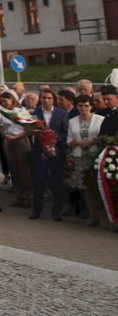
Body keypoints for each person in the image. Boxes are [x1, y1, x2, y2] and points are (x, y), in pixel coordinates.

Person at [29, 90, 69, 221]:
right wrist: (33, 132)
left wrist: (54, 138)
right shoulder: (34, 113)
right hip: (39, 152)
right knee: (39, 181)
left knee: (57, 182)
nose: (46, 100)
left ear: (54, 100)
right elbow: (27, 130)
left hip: (56, 152)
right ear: (40, 99)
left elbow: (65, 132)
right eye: (44, 98)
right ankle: (36, 210)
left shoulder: (61, 113)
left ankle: (56, 211)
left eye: (49, 98)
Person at [67, 96, 102, 225]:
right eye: (80, 106)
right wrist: (79, 143)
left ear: (91, 106)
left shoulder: (100, 120)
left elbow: (103, 136)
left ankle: (103, 214)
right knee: (86, 187)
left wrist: (91, 142)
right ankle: (93, 216)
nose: (83, 108)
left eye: (86, 106)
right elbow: (69, 140)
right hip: (80, 158)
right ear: (76, 107)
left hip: (96, 157)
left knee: (98, 186)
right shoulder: (72, 121)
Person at [0, 90, 31, 208]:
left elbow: (28, 128)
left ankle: (28, 196)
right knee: (14, 169)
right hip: (8, 140)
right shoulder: (2, 113)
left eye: (5, 101)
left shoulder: (20, 111)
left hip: (20, 140)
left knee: (24, 169)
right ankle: (19, 195)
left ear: (12, 100)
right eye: (2, 102)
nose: (4, 103)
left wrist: (16, 136)